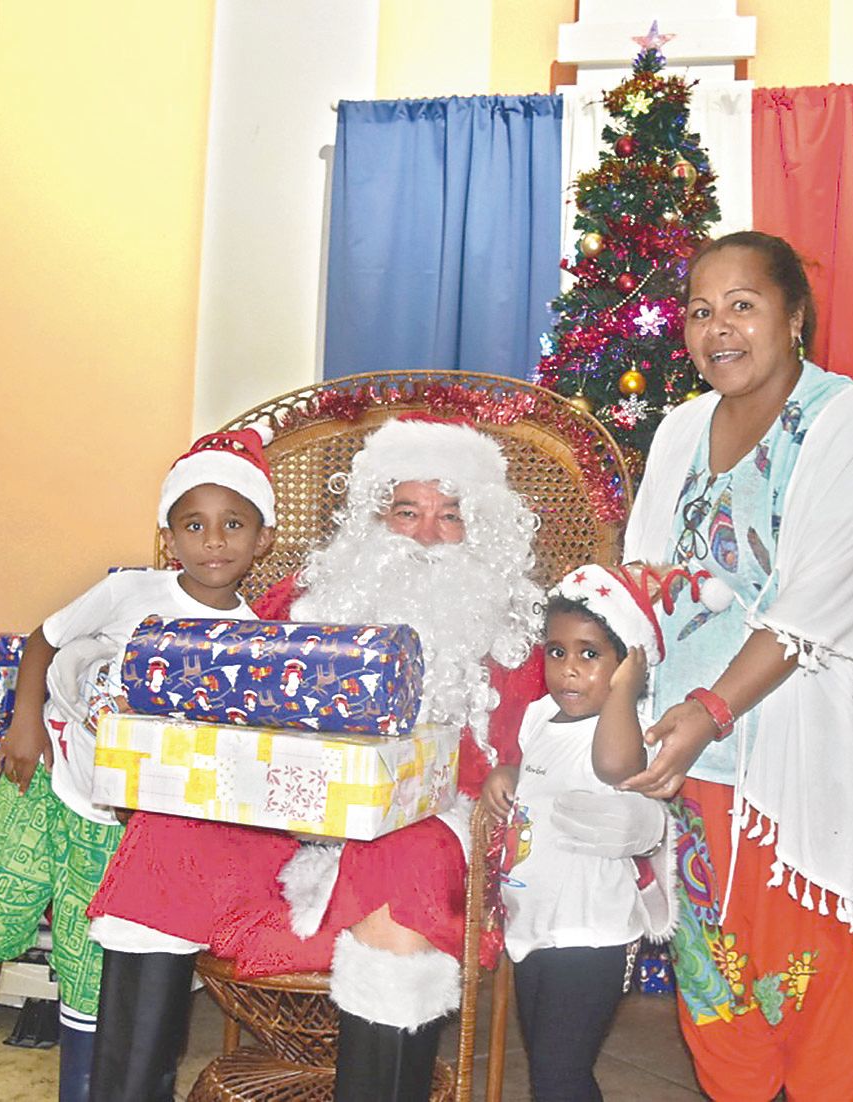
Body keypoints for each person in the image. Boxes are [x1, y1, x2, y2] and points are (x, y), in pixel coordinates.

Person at [88, 416, 666, 1102]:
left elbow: (568, 752)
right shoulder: (305, 599)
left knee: (408, 860)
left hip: (432, 829)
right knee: (165, 835)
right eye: (406, 511)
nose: (426, 535)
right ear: (373, 518)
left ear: (481, 529)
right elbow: (222, 688)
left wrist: (588, 801)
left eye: (450, 515)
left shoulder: (519, 637)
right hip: (278, 817)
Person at [617, 231, 853, 1100]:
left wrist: (712, 706)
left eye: (743, 305)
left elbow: (817, 607)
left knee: (824, 995)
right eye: (699, 310)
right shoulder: (681, 427)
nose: (718, 327)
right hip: (695, 773)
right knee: (719, 999)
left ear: (795, 316)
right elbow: (645, 582)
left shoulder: (850, 424)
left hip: (809, 782)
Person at [0, 424, 276, 1102]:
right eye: (194, 525)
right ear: (169, 537)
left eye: (233, 524)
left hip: (121, 828)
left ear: (262, 540)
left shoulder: (257, 641)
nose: (214, 541)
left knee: (93, 969)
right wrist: (25, 724)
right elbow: (42, 642)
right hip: (44, 784)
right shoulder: (130, 592)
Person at [481, 562, 673, 1102]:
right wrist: (509, 773)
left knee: (562, 1074)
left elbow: (612, 767)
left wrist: (625, 690)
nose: (569, 669)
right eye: (557, 651)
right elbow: (544, 777)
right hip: (534, 925)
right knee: (546, 1071)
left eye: (591, 655)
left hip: (591, 933)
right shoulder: (539, 716)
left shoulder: (626, 729)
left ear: (626, 662)